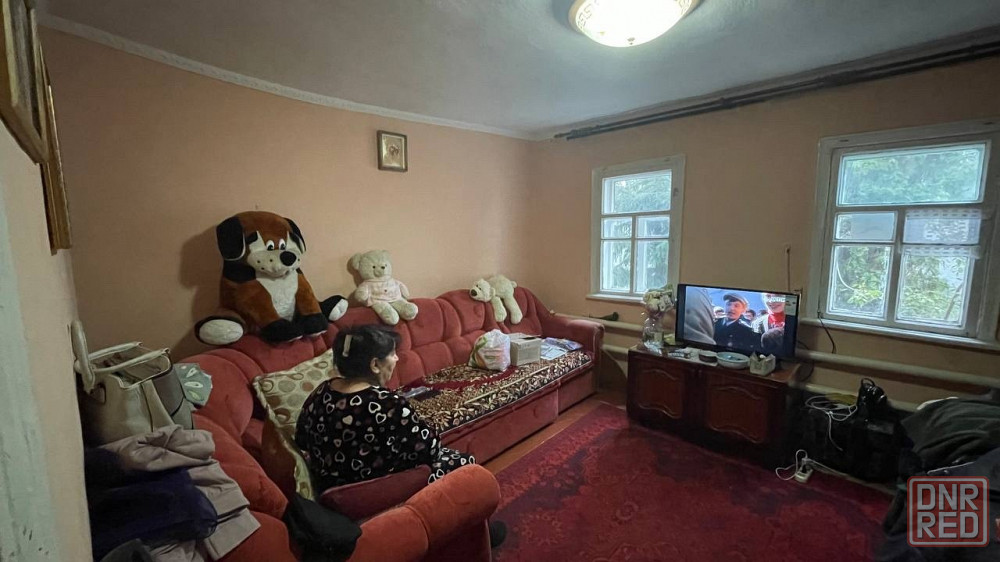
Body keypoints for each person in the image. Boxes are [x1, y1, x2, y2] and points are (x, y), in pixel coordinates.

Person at [295, 325, 507, 547]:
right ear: (375, 365)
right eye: (392, 354)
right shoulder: (386, 404)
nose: (396, 359)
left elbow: (302, 438)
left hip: (331, 490)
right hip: (370, 489)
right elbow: (430, 448)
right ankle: (480, 532)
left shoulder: (321, 392)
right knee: (461, 462)